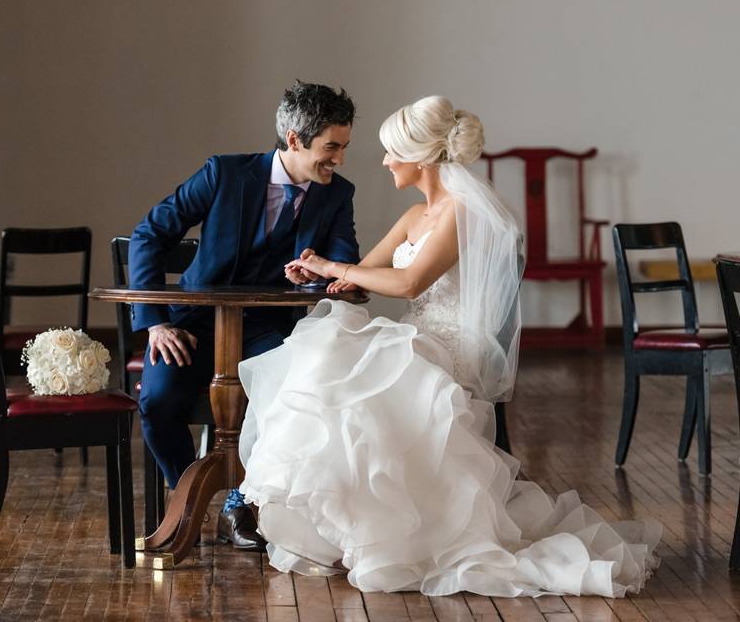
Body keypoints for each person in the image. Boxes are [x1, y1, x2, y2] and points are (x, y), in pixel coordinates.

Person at [238, 96, 661, 594]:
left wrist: (337, 269)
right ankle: (348, 526)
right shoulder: (417, 214)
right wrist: (318, 269)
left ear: (419, 157)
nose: (383, 162)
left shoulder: (463, 213)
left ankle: (393, 532)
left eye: (390, 152)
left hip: (452, 348)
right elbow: (368, 278)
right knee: (328, 355)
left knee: (349, 378)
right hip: (420, 339)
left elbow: (412, 282)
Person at [129, 81, 360, 551]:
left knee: (286, 400)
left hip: (269, 328)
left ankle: (240, 504)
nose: (338, 160)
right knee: (157, 403)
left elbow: (343, 264)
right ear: (295, 139)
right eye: (330, 147)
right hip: (192, 326)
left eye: (343, 147)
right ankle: (188, 498)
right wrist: (155, 321)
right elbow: (149, 234)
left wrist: (314, 276)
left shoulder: (336, 194)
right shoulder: (225, 174)